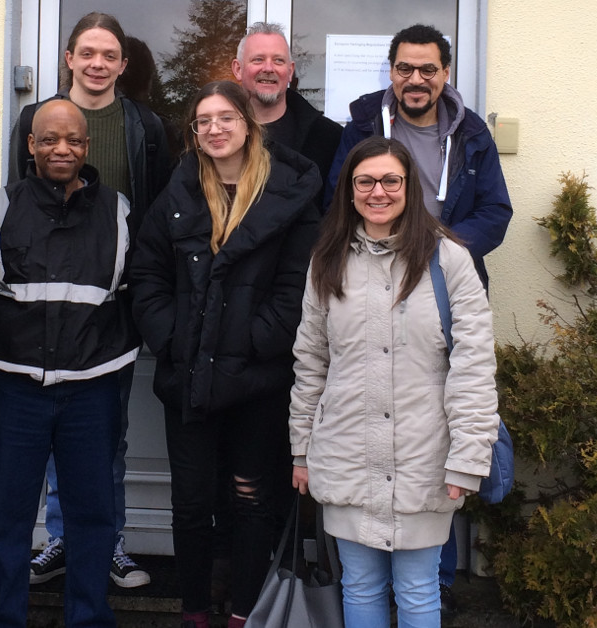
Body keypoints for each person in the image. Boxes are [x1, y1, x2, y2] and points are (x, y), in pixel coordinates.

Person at [130, 80, 321, 628]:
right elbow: (148, 274)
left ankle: (243, 610)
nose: (214, 129)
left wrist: (253, 344)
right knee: (190, 503)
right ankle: (194, 610)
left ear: (248, 122)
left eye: (225, 118)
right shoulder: (180, 188)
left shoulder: (288, 191)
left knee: (251, 498)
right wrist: (171, 339)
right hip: (187, 375)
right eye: (202, 121)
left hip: (256, 382)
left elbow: (298, 288)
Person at [290, 136, 499, 628]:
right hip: (347, 452)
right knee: (359, 587)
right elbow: (311, 361)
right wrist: (302, 449)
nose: (377, 191)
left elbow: (473, 365)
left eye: (390, 180)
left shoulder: (449, 261)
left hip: (425, 456)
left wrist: (468, 458)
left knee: (418, 588)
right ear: (349, 189)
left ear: (410, 187)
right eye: (365, 181)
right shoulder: (327, 260)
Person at [8, 13, 173, 589]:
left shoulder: (146, 126)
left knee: (109, 433)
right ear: (69, 59)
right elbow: (17, 206)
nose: (98, 64)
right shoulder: (38, 118)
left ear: (123, 66)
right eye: (88, 53)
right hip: (44, 305)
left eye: (110, 55)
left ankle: (110, 543)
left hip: (112, 308)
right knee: (53, 434)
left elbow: (153, 215)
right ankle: (60, 538)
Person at [0, 100, 141, 627]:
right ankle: (0, 619)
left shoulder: (118, 211)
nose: (61, 149)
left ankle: (88, 619)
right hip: (17, 390)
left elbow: (133, 294)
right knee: (8, 517)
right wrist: (16, 344)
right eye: (49, 139)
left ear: (87, 147)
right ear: (31, 145)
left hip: (93, 390)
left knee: (92, 519)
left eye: (73, 140)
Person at [326, 23, 511, 292]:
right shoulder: (364, 128)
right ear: (391, 72)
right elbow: (337, 200)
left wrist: (444, 251)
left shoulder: (473, 134)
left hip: (448, 277)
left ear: (445, 73)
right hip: (372, 272)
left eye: (428, 70)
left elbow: (495, 211)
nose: (415, 80)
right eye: (405, 69)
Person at [232, 21, 342, 201]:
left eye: (278, 60)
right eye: (258, 59)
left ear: (290, 71)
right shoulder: (215, 133)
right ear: (238, 69)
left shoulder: (328, 138)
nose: (268, 68)